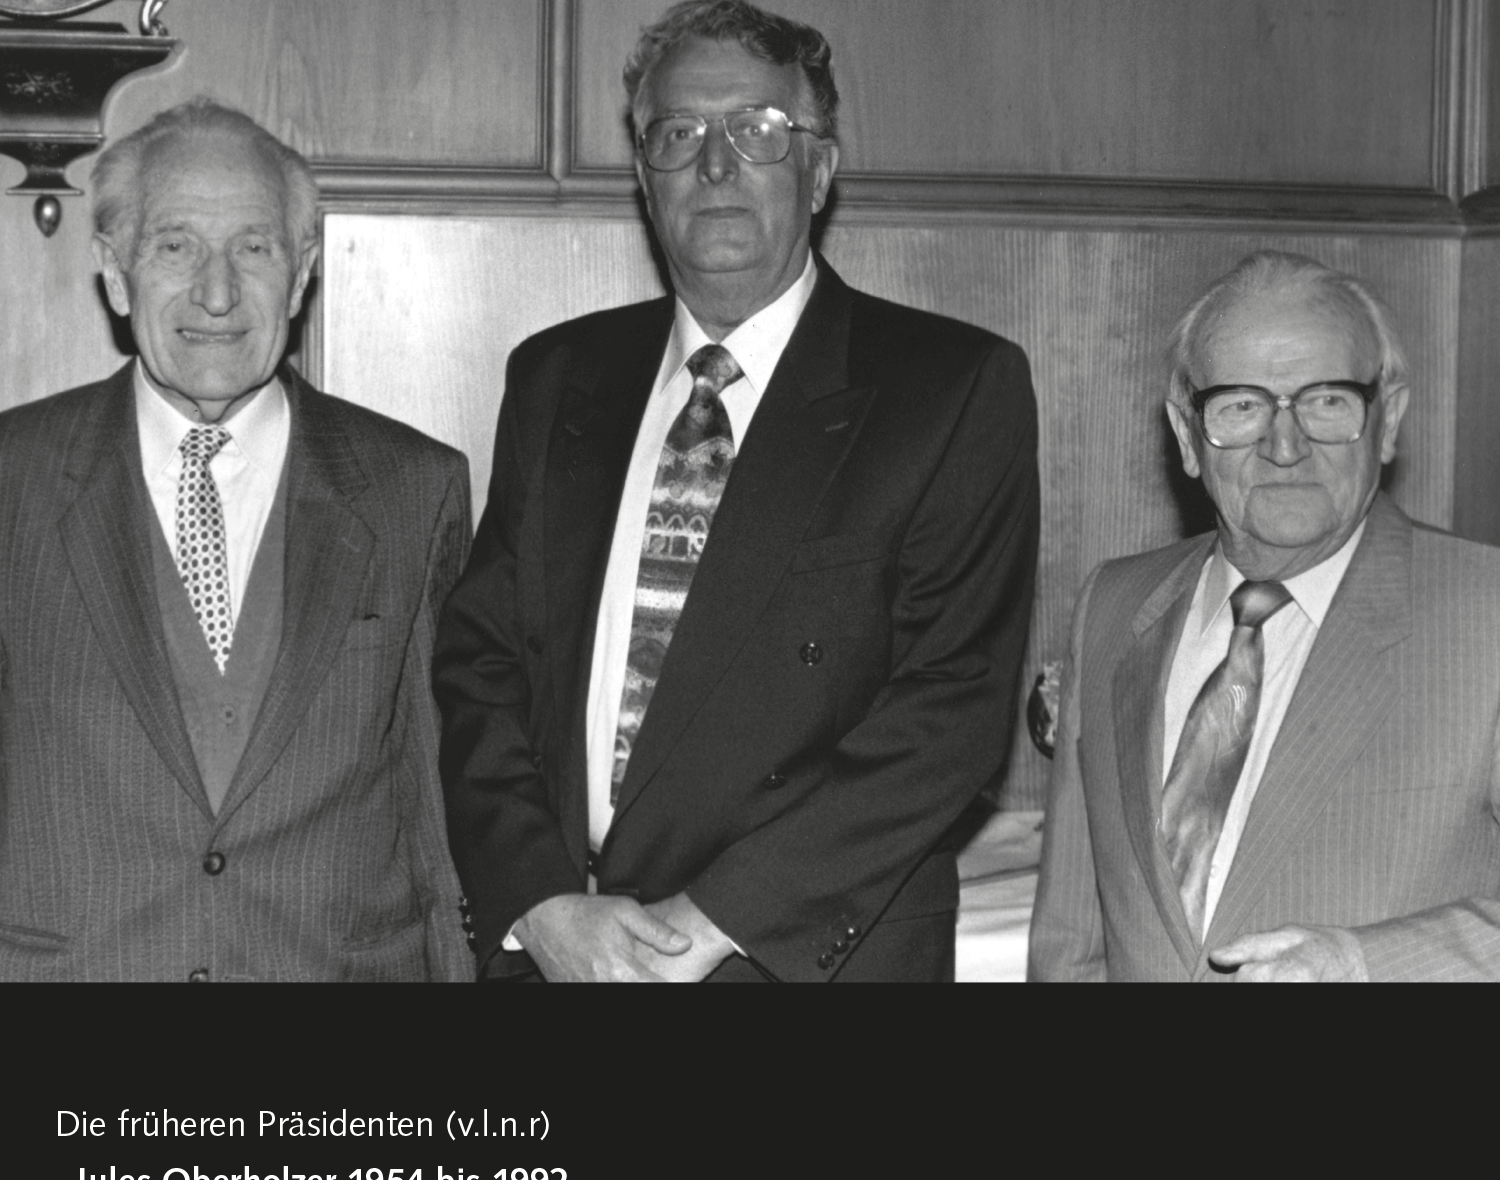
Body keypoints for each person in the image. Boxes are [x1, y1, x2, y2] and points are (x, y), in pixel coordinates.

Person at [435, 0, 1039, 982]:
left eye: (757, 130)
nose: (714, 164)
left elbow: (947, 714)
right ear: (644, 176)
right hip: (564, 952)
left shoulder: (949, 389)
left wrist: (706, 924)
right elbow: (481, 666)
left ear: (820, 170)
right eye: (678, 133)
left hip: (796, 960)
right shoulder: (557, 377)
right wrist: (539, 901)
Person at [0, 100, 473, 981]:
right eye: (175, 247)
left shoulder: (414, 488)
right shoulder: (11, 481)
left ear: (300, 277)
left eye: (254, 249)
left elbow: (433, 805)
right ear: (115, 274)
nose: (216, 295)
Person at [1030, 251, 1500, 982]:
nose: (1285, 447)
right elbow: (1072, 942)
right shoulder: (1113, 606)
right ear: (1187, 435)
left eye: (1327, 401)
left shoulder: (1486, 616)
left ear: (1388, 420)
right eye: (1242, 406)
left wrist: (1363, 963)